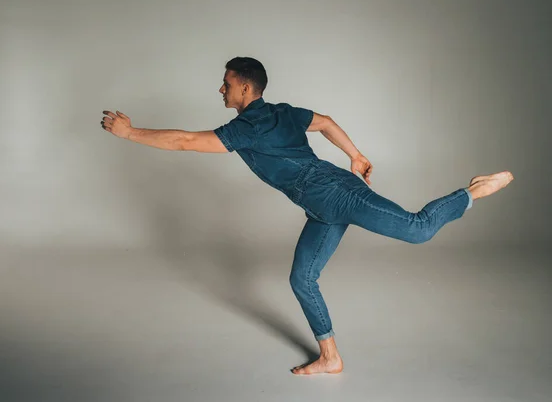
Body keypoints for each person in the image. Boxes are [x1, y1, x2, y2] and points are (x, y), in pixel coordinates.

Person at [101, 57, 514, 375]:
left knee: (419, 229)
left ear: (245, 87)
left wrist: (130, 133)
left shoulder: (247, 128)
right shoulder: (279, 112)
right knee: (302, 278)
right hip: (319, 204)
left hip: (336, 192)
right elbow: (326, 123)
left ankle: (471, 191)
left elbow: (187, 142)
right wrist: (356, 155)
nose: (220, 90)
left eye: (226, 84)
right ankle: (330, 358)